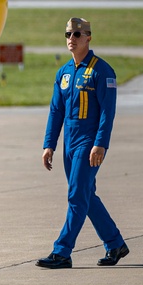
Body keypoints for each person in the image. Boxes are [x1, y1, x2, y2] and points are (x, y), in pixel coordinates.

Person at [36, 17, 128, 269]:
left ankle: (62, 251)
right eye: (67, 35)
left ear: (89, 37)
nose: (71, 39)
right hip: (70, 142)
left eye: (77, 34)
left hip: (89, 143)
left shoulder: (102, 71)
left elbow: (108, 112)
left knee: (76, 195)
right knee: (86, 195)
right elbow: (56, 111)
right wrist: (49, 145)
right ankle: (115, 243)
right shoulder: (64, 73)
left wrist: (101, 143)